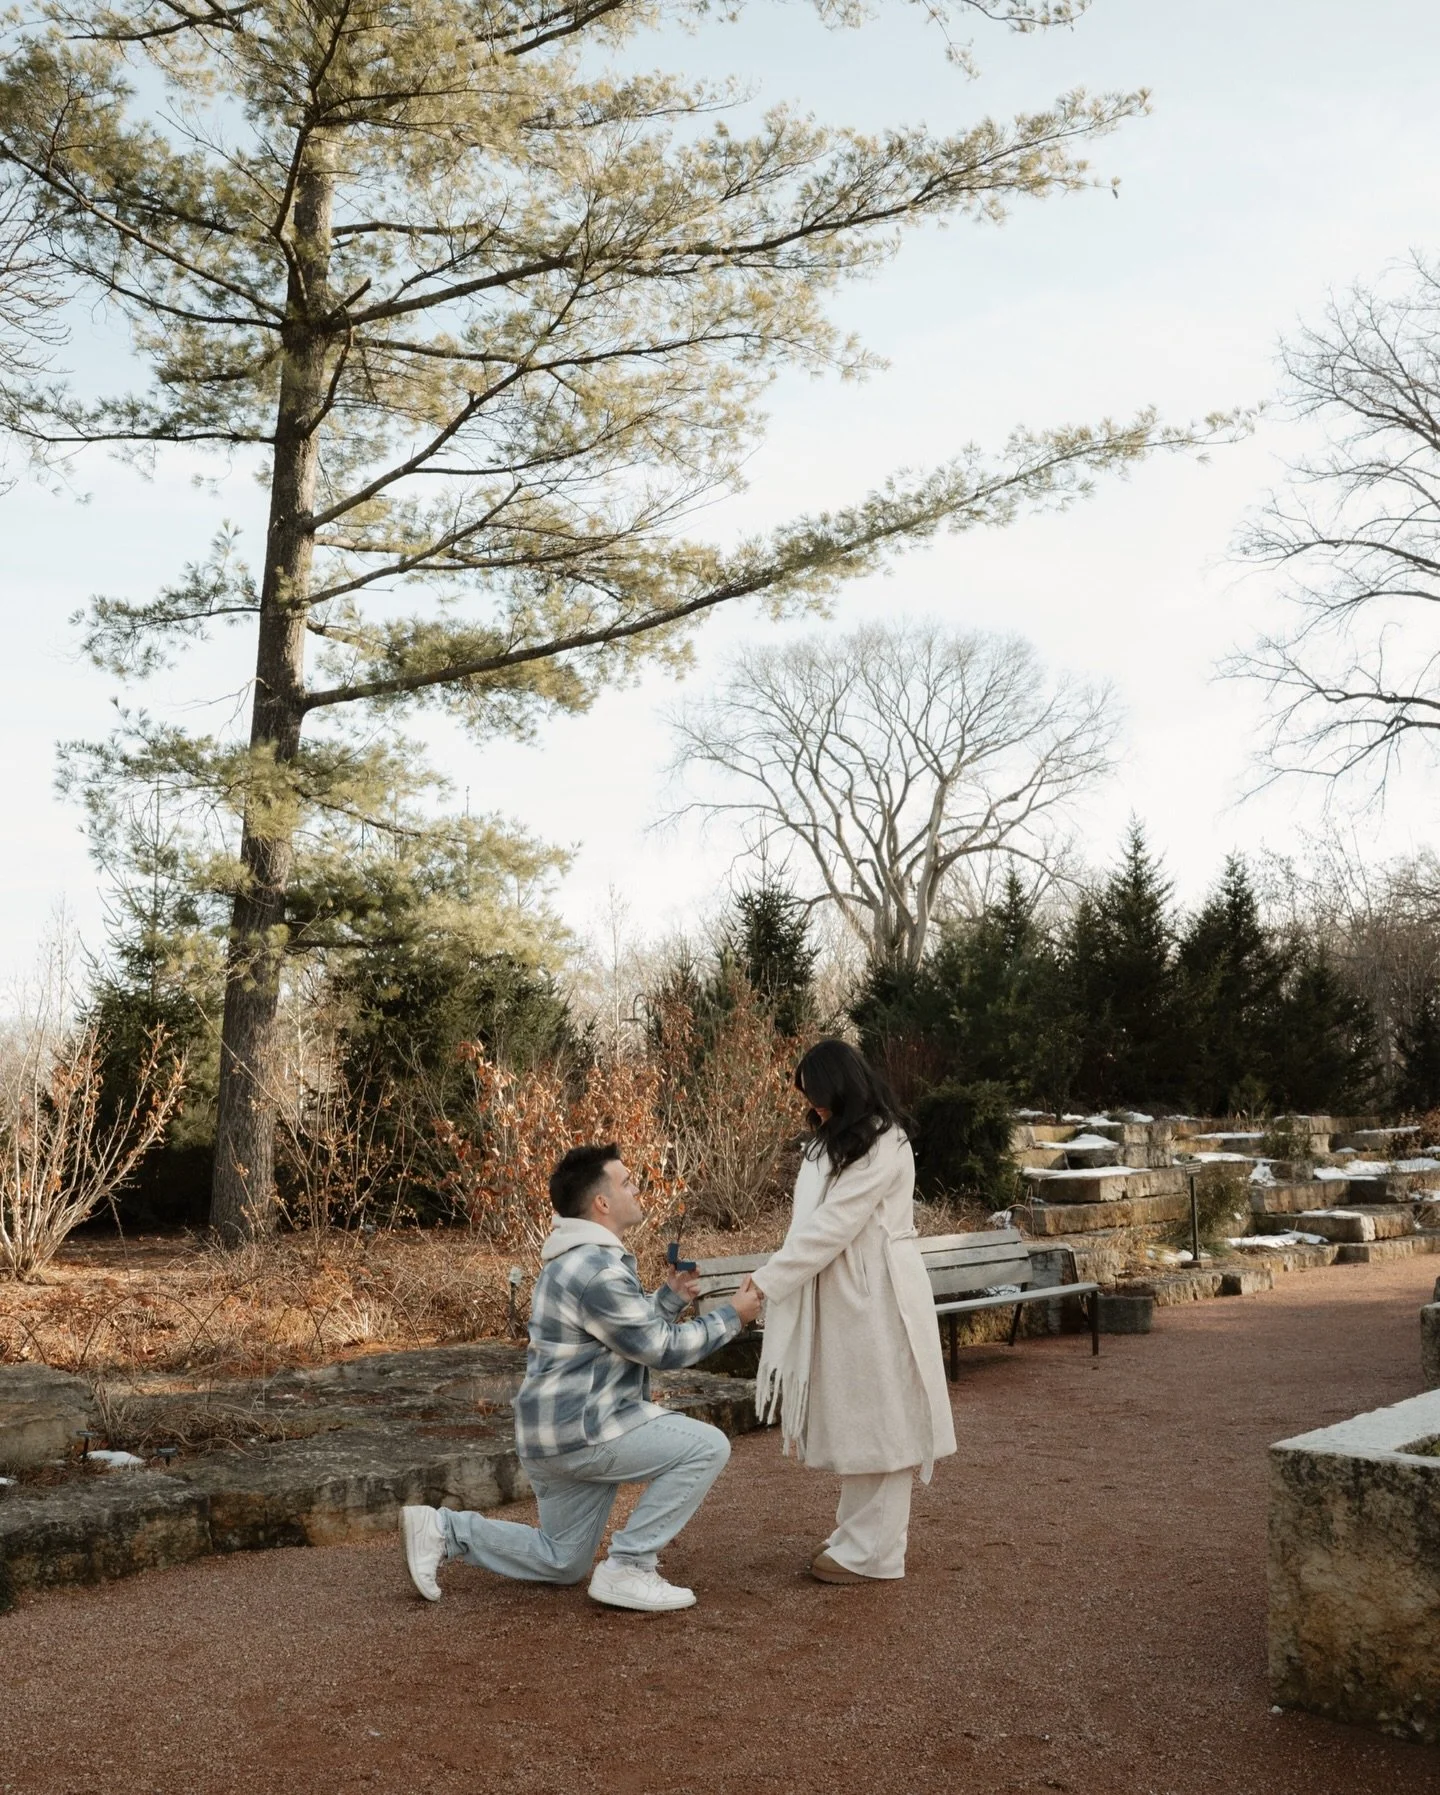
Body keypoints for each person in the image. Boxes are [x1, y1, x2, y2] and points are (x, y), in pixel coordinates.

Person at [401, 1143, 763, 1613]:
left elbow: (619, 1334)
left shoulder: (577, 1261)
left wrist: (668, 1300)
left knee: (562, 1561)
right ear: (602, 1203)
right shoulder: (597, 1270)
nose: (637, 1188)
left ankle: (444, 1530)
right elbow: (661, 1349)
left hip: (550, 1437)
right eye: (628, 1181)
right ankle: (630, 1567)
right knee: (707, 1446)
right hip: (585, 1433)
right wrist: (732, 1317)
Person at [741, 1038, 956, 1583]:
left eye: (817, 1096)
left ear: (841, 1088)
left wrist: (768, 1281)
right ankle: (857, 1534)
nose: (812, 1108)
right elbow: (819, 1223)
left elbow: (834, 1223)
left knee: (886, 1417)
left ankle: (876, 1551)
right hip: (850, 1293)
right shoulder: (841, 1139)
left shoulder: (884, 1144)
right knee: (862, 1416)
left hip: (878, 1293)